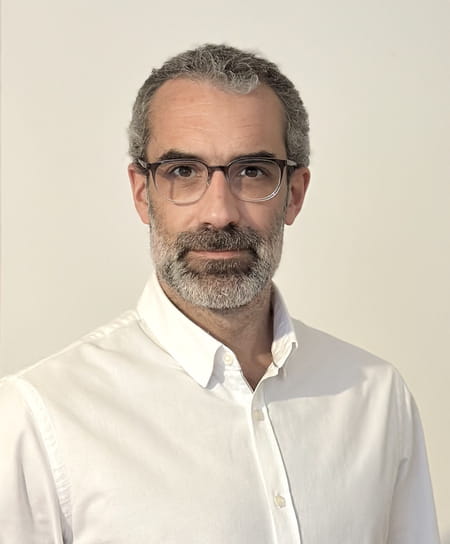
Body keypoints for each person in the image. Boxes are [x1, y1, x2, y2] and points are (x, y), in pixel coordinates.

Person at [0, 44, 440, 543]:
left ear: (294, 194)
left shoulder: (377, 398)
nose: (219, 213)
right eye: (183, 172)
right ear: (143, 194)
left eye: (251, 171)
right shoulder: (39, 419)